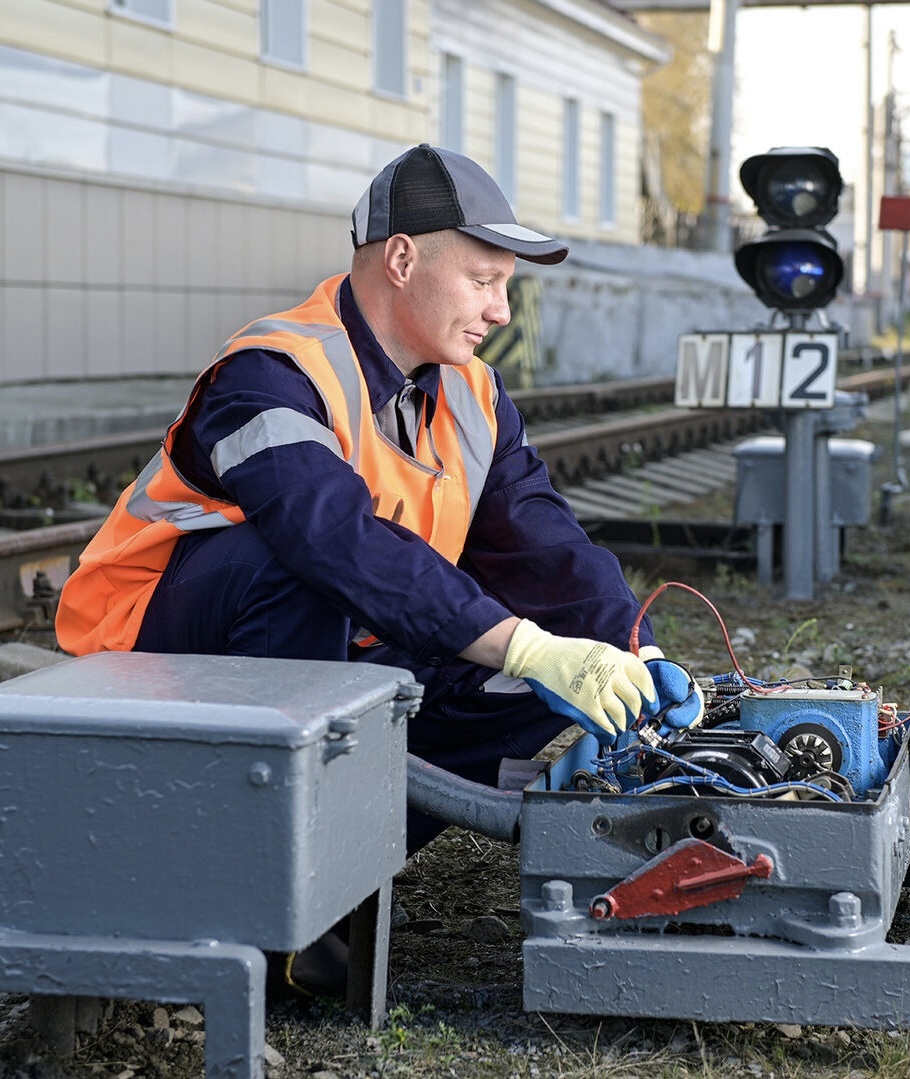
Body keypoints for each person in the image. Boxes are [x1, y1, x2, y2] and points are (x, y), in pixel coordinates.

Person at [56, 144, 676, 989]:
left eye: (505, 286)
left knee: (546, 675)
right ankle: (268, 904)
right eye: (483, 280)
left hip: (332, 639)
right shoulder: (271, 373)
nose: (499, 310)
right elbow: (329, 537)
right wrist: (521, 641)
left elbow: (548, 546)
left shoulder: (472, 394)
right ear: (402, 259)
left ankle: (342, 872)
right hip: (147, 660)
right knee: (297, 565)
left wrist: (634, 651)